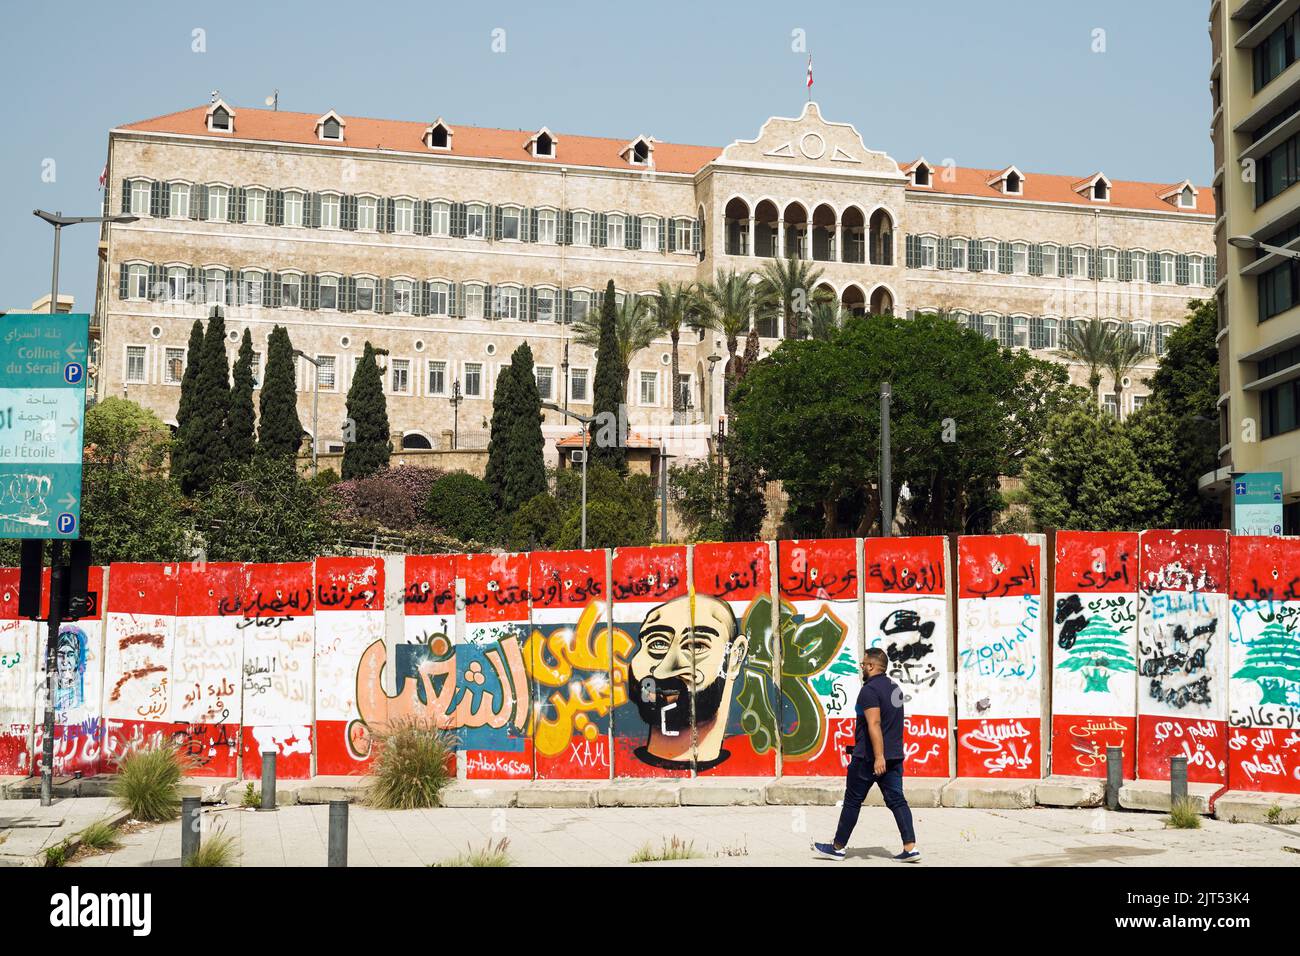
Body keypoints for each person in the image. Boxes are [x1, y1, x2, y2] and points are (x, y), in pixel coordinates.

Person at [813, 646, 919, 862]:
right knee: (897, 800)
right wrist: (889, 754)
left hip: (868, 758)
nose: (861, 667)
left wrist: (879, 757)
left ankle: (837, 848)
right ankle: (910, 849)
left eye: (863, 664)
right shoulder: (895, 688)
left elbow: (875, 723)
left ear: (871, 666)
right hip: (894, 756)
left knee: (852, 801)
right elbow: (895, 723)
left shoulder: (869, 690)